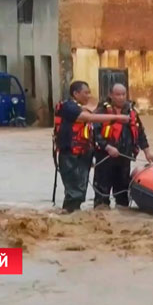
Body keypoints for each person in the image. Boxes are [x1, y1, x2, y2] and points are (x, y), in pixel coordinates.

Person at [54, 81, 129, 213]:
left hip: (83, 154)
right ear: (76, 94)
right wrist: (117, 117)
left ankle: (74, 217)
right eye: (85, 93)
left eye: (89, 92)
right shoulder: (67, 107)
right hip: (70, 155)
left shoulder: (80, 107)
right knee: (74, 192)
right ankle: (69, 216)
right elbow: (88, 118)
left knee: (80, 190)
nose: (88, 96)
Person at [92, 83, 153, 208]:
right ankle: (101, 215)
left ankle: (122, 217)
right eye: (117, 94)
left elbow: (140, 132)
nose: (121, 97)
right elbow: (94, 133)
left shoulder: (131, 112)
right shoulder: (101, 112)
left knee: (122, 193)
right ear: (111, 95)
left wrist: (147, 152)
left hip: (124, 157)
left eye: (123, 94)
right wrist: (108, 147)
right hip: (105, 158)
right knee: (102, 194)